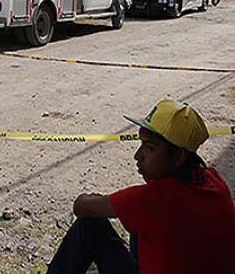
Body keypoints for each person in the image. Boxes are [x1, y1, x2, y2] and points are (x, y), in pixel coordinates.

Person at [47, 99, 235, 274]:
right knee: (138, 229)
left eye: (150, 147)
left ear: (179, 157)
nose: (138, 155)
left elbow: (81, 207)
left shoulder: (155, 199)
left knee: (89, 226)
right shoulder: (214, 181)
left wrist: (96, 199)